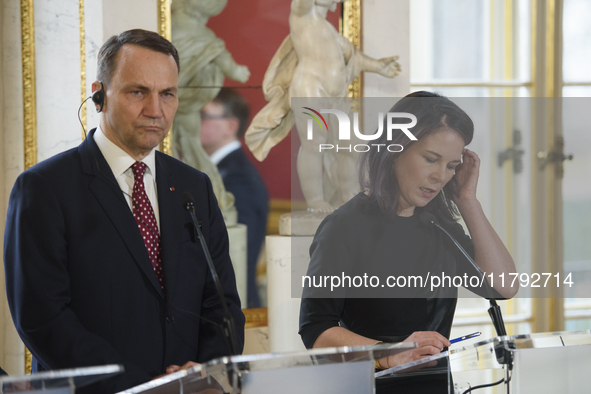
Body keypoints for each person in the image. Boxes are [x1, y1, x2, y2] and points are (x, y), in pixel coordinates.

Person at [3, 29, 244, 393]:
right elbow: (42, 319)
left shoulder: (194, 186)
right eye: (138, 92)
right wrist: (142, 387)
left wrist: (204, 371)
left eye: (167, 94)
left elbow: (222, 303)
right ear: (100, 94)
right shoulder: (45, 187)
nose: (156, 110)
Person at [299, 92, 518, 393]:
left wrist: (467, 201)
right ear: (394, 150)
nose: (440, 176)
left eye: (452, 165)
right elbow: (316, 330)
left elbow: (503, 286)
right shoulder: (344, 226)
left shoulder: (437, 225)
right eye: (431, 159)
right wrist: (391, 352)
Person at [245, 0, 401, 212]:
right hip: (311, 87)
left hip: (337, 95)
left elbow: (354, 56)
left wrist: (379, 67)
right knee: (314, 144)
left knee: (353, 146)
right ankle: (315, 200)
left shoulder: (329, 29)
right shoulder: (303, 16)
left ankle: (346, 195)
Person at [200, 88, 269, 308]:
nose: (193, 123)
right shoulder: (221, 171)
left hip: (234, 304)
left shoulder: (237, 178)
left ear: (230, 126)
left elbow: (235, 251)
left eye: (203, 116)